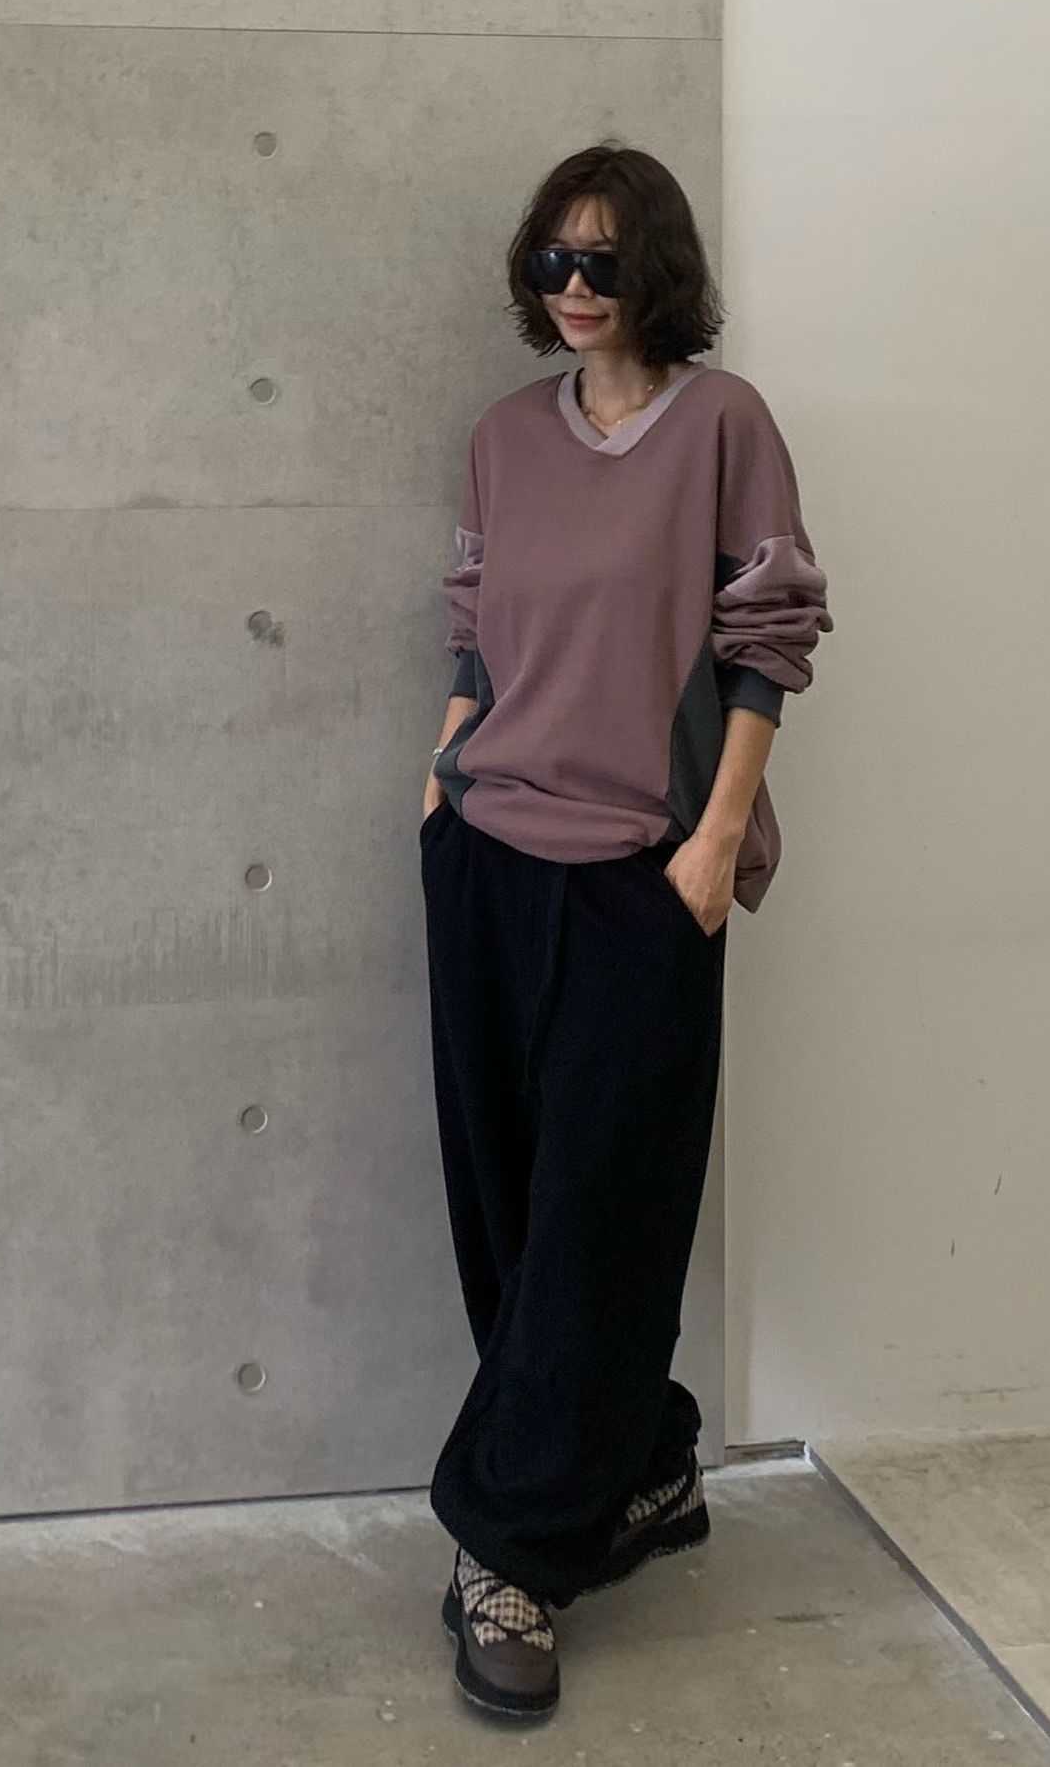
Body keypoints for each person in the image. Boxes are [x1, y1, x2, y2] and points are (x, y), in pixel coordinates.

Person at [418, 141, 833, 1721]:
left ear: (655, 268)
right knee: (509, 1212)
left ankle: (510, 1551)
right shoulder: (501, 437)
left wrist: (715, 837)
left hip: (644, 870)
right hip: (487, 855)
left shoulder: (722, 426)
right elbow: (474, 627)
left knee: (605, 1216)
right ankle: (645, 1467)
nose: (574, 288)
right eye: (551, 261)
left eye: (601, 260)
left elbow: (768, 636)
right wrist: (440, 776)